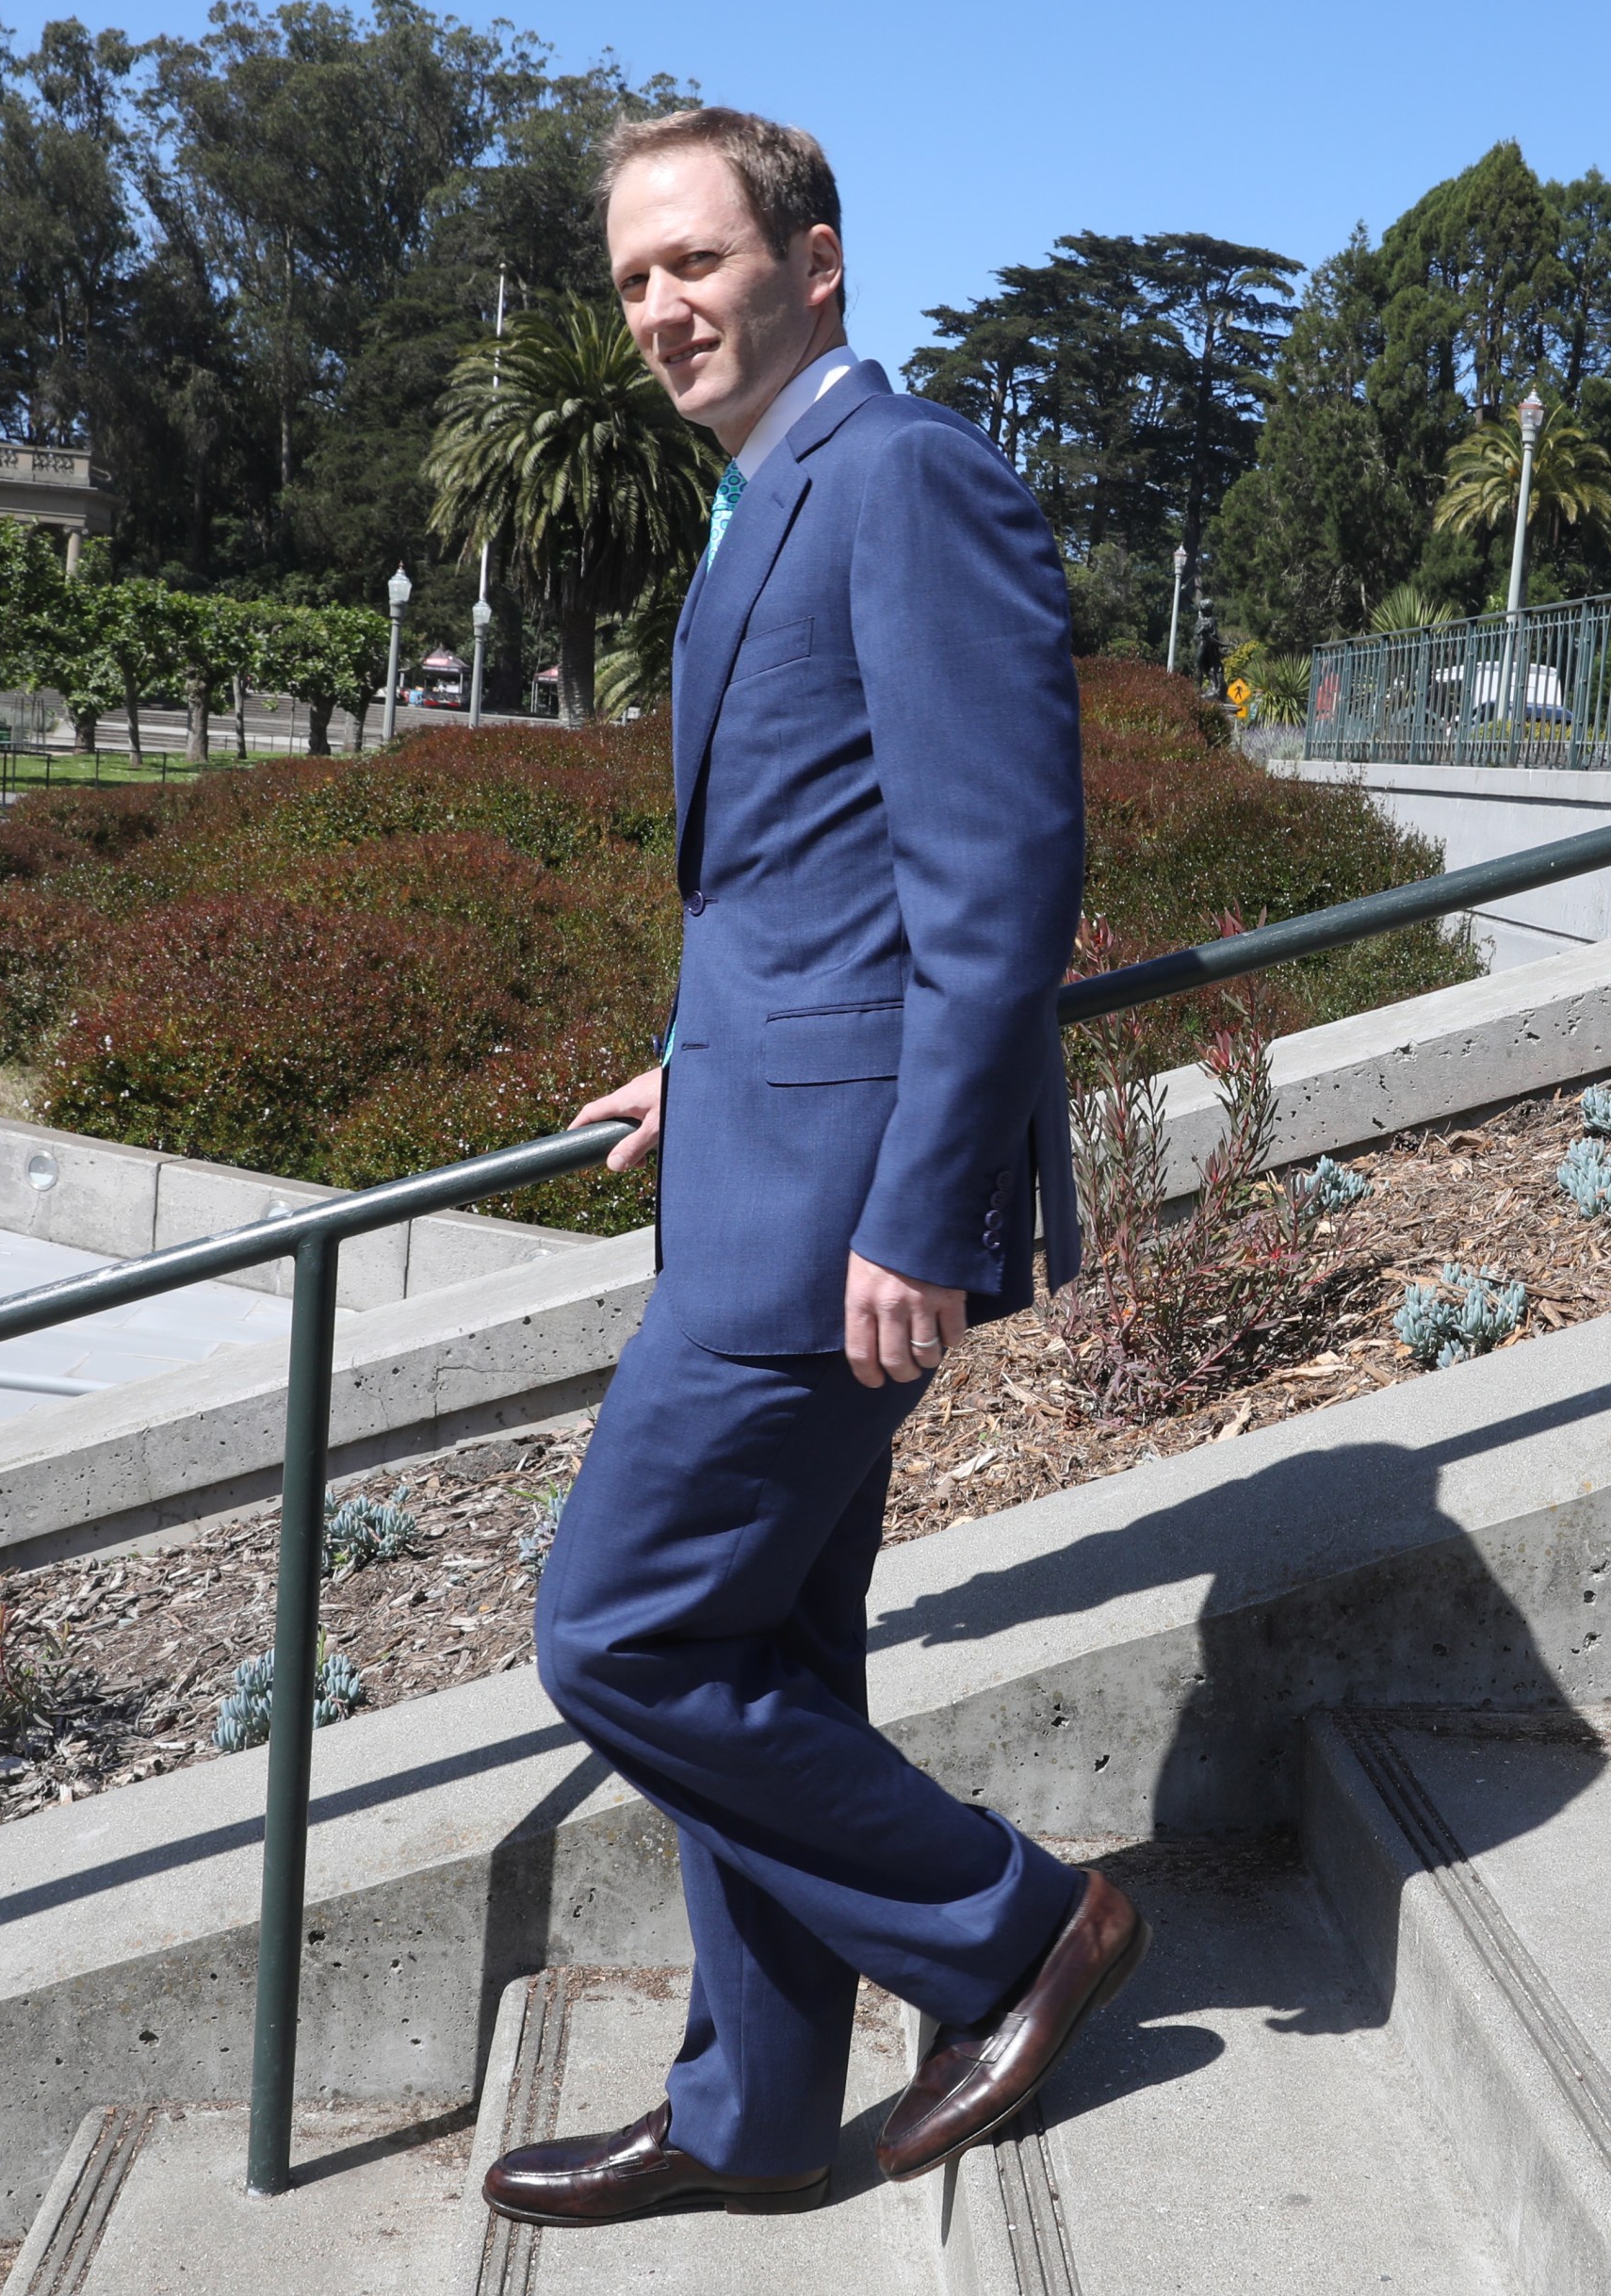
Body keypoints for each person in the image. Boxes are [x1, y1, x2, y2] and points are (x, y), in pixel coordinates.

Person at [480, 108, 1136, 2230]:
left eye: (700, 259)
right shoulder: (775, 494)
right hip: (757, 1148)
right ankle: (759, 2107)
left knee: (623, 1635)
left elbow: (996, 877)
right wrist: (690, 1063)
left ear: (818, 262)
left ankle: (1014, 1926)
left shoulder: (906, 473)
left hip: (832, 1223)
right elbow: (800, 871)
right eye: (636, 279)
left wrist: (919, 1208)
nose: (666, 306)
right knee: (766, 1651)